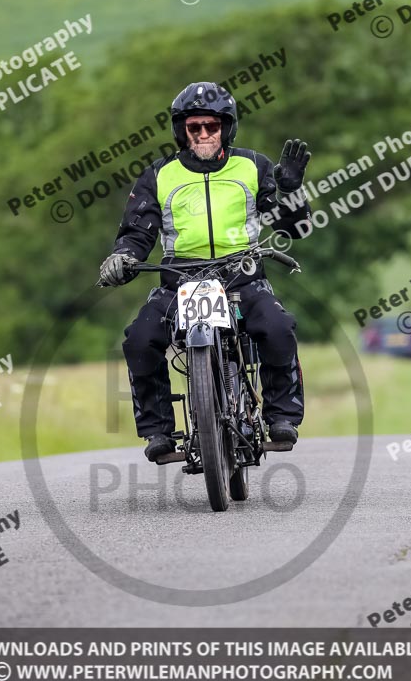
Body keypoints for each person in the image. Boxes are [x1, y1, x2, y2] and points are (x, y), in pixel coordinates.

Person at [100, 82, 312, 462]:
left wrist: (292, 191)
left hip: (243, 278)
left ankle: (281, 417)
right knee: (139, 338)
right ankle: (158, 430)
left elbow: (292, 228)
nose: (202, 134)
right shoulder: (159, 175)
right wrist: (121, 259)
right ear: (181, 130)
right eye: (193, 127)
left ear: (226, 128)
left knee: (279, 328)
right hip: (180, 281)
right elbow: (136, 233)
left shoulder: (253, 166)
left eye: (211, 126)